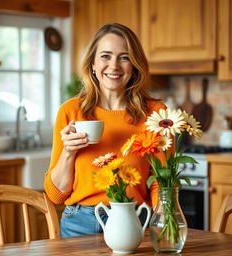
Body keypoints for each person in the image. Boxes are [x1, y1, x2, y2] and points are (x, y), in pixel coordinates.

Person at [44, 23, 168, 237]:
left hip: (137, 220)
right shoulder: (71, 111)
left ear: (135, 65)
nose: (114, 66)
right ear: (93, 63)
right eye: (105, 56)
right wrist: (68, 152)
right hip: (79, 223)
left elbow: (162, 179)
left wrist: (164, 220)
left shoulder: (156, 113)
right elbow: (56, 196)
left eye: (124, 57)